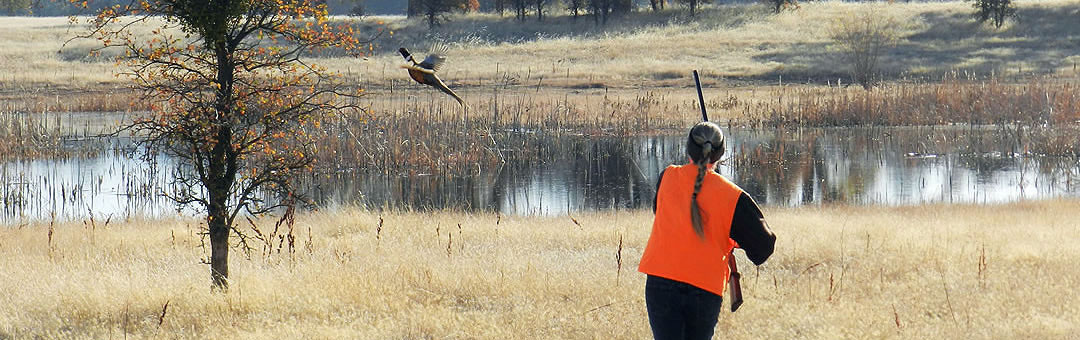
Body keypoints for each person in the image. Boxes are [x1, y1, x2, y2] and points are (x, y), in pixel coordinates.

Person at [638, 122, 776, 340]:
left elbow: (660, 211)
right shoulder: (733, 196)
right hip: (704, 288)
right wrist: (734, 236)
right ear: (720, 154)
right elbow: (763, 248)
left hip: (660, 282)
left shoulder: (667, 176)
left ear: (687, 149)